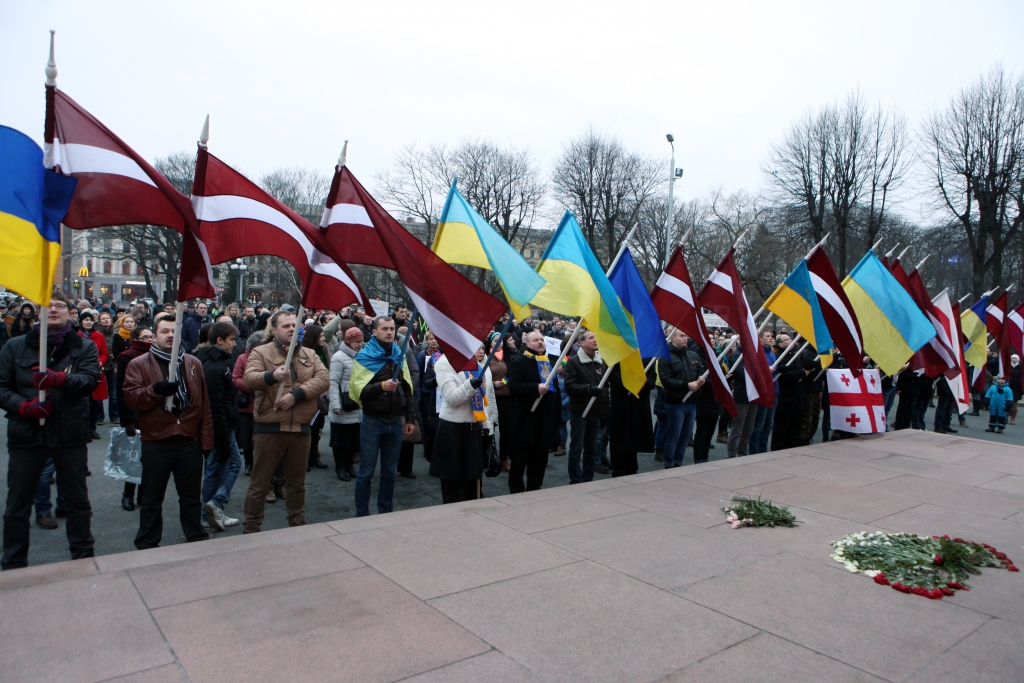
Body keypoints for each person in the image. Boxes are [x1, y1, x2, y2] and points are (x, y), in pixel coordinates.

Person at [0, 292, 99, 570]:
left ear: (70, 312)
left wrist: (60, 380)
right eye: (47, 305)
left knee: (77, 500)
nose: (53, 309)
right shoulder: (15, 346)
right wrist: (24, 407)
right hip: (27, 434)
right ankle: (14, 561)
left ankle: (83, 555)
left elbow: (89, 382)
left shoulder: (83, 346)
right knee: (18, 503)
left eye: (59, 305)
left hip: (69, 433)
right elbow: (2, 387)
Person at [123, 314, 214, 549]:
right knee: (152, 500)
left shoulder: (193, 363)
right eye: (165, 331)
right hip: (156, 443)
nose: (170, 335)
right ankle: (147, 543)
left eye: (174, 331)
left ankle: (195, 537)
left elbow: (203, 405)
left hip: (188, 443)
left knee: (191, 499)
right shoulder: (139, 364)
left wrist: (205, 442)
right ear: (155, 335)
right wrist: (156, 390)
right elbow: (131, 398)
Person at [242, 310, 328, 532]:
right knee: (260, 484)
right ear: (274, 330)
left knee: (297, 484)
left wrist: (296, 395)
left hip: (300, 428)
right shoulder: (260, 352)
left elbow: (324, 379)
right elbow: (249, 379)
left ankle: (297, 524)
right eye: (286, 326)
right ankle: (251, 527)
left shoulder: (309, 354)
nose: (292, 329)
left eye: (295, 325)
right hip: (269, 427)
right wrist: (272, 377)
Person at [350, 316, 418, 517]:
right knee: (366, 472)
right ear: (375, 332)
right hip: (373, 421)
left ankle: (386, 512)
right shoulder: (364, 356)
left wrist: (411, 419)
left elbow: (408, 390)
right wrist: (382, 386)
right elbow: (359, 392)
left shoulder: (399, 355)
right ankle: (361, 514)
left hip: (396, 421)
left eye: (392, 329)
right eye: (385, 329)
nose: (389, 332)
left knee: (389, 473)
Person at [430, 347, 497, 503]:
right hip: (453, 428)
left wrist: (487, 426)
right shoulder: (445, 362)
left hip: (474, 427)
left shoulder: (476, 363)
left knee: (471, 481)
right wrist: (470, 385)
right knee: (451, 481)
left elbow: (483, 399)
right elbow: (452, 398)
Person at [196, 321, 242, 531]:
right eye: (232, 340)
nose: (234, 344)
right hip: (221, 427)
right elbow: (216, 405)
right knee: (221, 467)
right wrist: (222, 435)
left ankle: (213, 509)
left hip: (224, 425)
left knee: (222, 467)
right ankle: (213, 507)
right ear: (219, 340)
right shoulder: (214, 367)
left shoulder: (219, 362)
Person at [506, 331, 561, 493]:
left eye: (542, 340)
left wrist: (556, 423)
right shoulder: (519, 362)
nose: (540, 342)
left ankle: (534, 490)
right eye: (536, 340)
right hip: (525, 420)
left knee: (539, 463)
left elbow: (555, 394)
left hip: (545, 422)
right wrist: (535, 388)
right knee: (519, 461)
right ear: (528, 344)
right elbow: (514, 387)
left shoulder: (549, 363)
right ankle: (516, 492)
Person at [116, 325, 155, 510]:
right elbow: (122, 391)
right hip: (135, 413)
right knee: (134, 456)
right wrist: (128, 419)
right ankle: (128, 494)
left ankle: (144, 494)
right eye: (145, 337)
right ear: (136, 338)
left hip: (153, 413)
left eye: (151, 336)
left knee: (150, 458)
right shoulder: (127, 357)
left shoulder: (159, 355)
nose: (150, 339)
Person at [563, 331, 610, 483]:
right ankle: (575, 479)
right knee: (576, 448)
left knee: (591, 448)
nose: (595, 340)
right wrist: (588, 389)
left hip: (596, 412)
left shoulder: (601, 362)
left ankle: (588, 477)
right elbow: (570, 386)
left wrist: (605, 409)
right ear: (581, 343)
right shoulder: (574, 362)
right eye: (591, 338)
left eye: (597, 337)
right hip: (580, 412)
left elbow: (605, 388)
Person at [657, 329, 705, 468]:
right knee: (674, 436)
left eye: (687, 336)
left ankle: (678, 462)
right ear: (672, 338)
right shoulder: (665, 357)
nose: (685, 338)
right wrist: (686, 385)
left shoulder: (692, 355)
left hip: (691, 402)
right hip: (675, 403)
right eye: (682, 336)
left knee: (685, 437)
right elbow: (666, 380)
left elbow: (701, 372)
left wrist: (701, 381)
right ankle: (669, 464)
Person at [607, 360, 655, 476]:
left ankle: (632, 466)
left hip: (639, 400)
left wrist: (641, 381)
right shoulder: (618, 353)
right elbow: (611, 374)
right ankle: (618, 468)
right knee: (621, 435)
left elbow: (652, 376)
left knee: (635, 435)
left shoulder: (647, 356)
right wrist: (630, 380)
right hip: (621, 401)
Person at [329, 327, 363, 481]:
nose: (360, 344)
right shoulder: (338, 357)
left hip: (356, 405)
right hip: (343, 404)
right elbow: (333, 382)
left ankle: (349, 466)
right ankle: (340, 467)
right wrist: (336, 404)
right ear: (348, 341)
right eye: (357, 342)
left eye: (361, 341)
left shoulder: (360, 356)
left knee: (353, 439)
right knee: (340, 440)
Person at [301, 324, 331, 472]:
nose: (323, 339)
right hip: (309, 393)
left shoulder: (323, 349)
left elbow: (327, 368)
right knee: (307, 428)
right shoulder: (304, 351)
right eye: (320, 336)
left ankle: (314, 455)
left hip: (322, 394)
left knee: (317, 427)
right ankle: (304, 458)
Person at [233, 332, 263, 477]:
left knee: (262, 437)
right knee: (246, 437)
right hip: (247, 403)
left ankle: (260, 463)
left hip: (263, 403)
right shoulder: (242, 358)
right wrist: (250, 386)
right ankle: (249, 463)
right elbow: (236, 378)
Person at [77, 311, 110, 439]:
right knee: (82, 402)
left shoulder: (99, 335)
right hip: (81, 371)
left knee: (95, 402)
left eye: (90, 320)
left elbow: (104, 353)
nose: (88, 322)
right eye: (86, 320)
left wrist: (100, 362)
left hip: (96, 371)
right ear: (81, 322)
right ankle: (82, 429)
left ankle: (92, 428)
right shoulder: (76, 335)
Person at [486, 332, 514, 472]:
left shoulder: (507, 357)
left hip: (506, 398)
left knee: (506, 431)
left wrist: (505, 381)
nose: (499, 343)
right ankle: (490, 458)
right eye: (495, 340)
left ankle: (503, 458)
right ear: (490, 343)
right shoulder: (486, 358)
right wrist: (492, 383)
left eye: (501, 340)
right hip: (491, 398)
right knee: (490, 429)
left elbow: (512, 374)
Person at [747, 330, 778, 453]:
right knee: (758, 426)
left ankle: (763, 450)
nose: (771, 338)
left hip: (773, 391)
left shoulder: (772, 354)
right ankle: (754, 451)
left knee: (767, 425)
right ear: (760, 339)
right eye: (767, 336)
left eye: (771, 336)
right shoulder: (758, 354)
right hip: (763, 393)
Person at [1009, 354, 1021, 425]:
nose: (1014, 359)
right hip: (1008, 387)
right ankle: (1005, 416)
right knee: (1006, 403)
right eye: (1012, 358)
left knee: (1014, 404)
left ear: (1018, 360)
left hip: (1017, 388)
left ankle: (1012, 419)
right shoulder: (1007, 367)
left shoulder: (1020, 368)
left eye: (1015, 358)